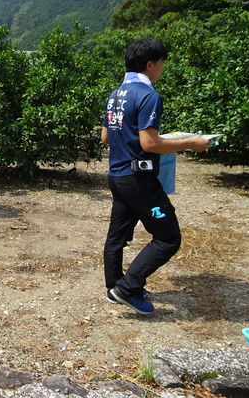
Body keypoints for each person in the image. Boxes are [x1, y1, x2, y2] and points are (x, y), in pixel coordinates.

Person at [101, 39, 210, 314]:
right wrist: (190, 143)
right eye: (161, 64)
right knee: (168, 238)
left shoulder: (116, 94)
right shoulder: (148, 95)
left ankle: (116, 286)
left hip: (117, 175)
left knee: (117, 236)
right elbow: (149, 144)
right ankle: (126, 289)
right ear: (150, 65)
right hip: (139, 180)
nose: (162, 69)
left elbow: (105, 137)